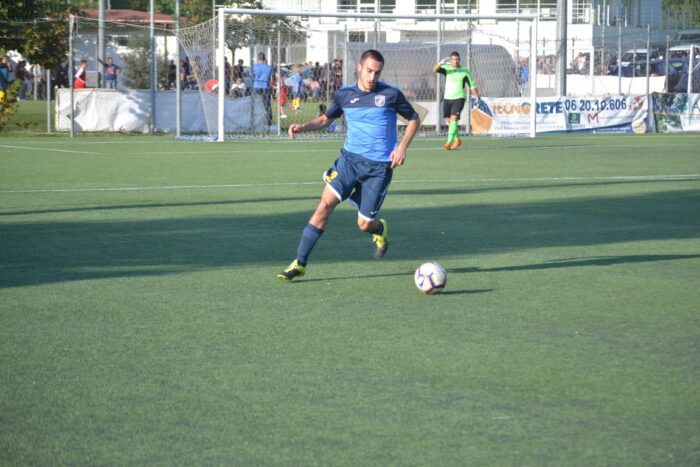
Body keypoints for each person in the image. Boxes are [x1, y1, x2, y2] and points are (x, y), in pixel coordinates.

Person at [277, 49, 420, 281]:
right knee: (324, 206)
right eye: (369, 71)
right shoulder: (344, 94)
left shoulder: (391, 94)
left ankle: (380, 229)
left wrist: (402, 146)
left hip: (378, 169)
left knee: (364, 224)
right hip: (349, 162)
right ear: (359, 68)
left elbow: (413, 118)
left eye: (377, 72)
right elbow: (325, 120)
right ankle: (300, 263)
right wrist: (302, 126)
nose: (373, 77)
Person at [433, 51, 479, 150]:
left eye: (457, 59)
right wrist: (441, 63)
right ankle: (457, 140)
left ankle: (449, 142)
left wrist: (476, 97)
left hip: (459, 98)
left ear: (459, 60)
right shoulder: (446, 69)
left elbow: (472, 85)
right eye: (453, 59)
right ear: (450, 60)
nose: (455, 61)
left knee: (453, 119)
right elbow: (434, 70)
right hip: (447, 98)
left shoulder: (465, 71)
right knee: (450, 121)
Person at [252, 52, 275, 129]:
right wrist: (271, 87)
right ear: (264, 58)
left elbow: (252, 77)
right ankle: (269, 123)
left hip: (256, 86)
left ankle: (253, 121)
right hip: (265, 86)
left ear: (258, 58)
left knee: (254, 104)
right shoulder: (269, 67)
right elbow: (271, 79)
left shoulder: (254, 67)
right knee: (267, 105)